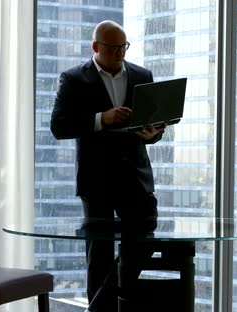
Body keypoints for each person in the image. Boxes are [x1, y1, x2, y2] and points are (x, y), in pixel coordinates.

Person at [50, 20, 165, 312]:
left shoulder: (142, 74)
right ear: (96, 47)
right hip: (96, 179)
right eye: (113, 48)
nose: (119, 53)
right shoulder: (74, 78)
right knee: (99, 255)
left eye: (123, 47)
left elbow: (155, 125)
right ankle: (103, 308)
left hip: (135, 177)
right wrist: (103, 118)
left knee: (144, 238)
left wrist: (153, 133)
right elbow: (59, 126)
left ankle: (98, 308)